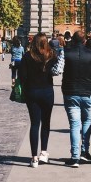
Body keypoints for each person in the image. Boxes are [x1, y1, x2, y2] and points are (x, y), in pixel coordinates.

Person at [61, 31, 91, 167]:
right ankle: (85, 152)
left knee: (75, 125)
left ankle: (75, 157)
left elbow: (57, 70)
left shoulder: (65, 53)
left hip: (71, 92)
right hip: (87, 93)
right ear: (84, 41)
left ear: (73, 41)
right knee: (87, 121)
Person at [18, 33, 62, 168]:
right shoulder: (51, 55)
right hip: (47, 92)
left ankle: (34, 158)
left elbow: (22, 77)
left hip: (32, 92)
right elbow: (56, 71)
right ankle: (43, 152)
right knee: (46, 123)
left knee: (35, 124)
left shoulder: (26, 56)